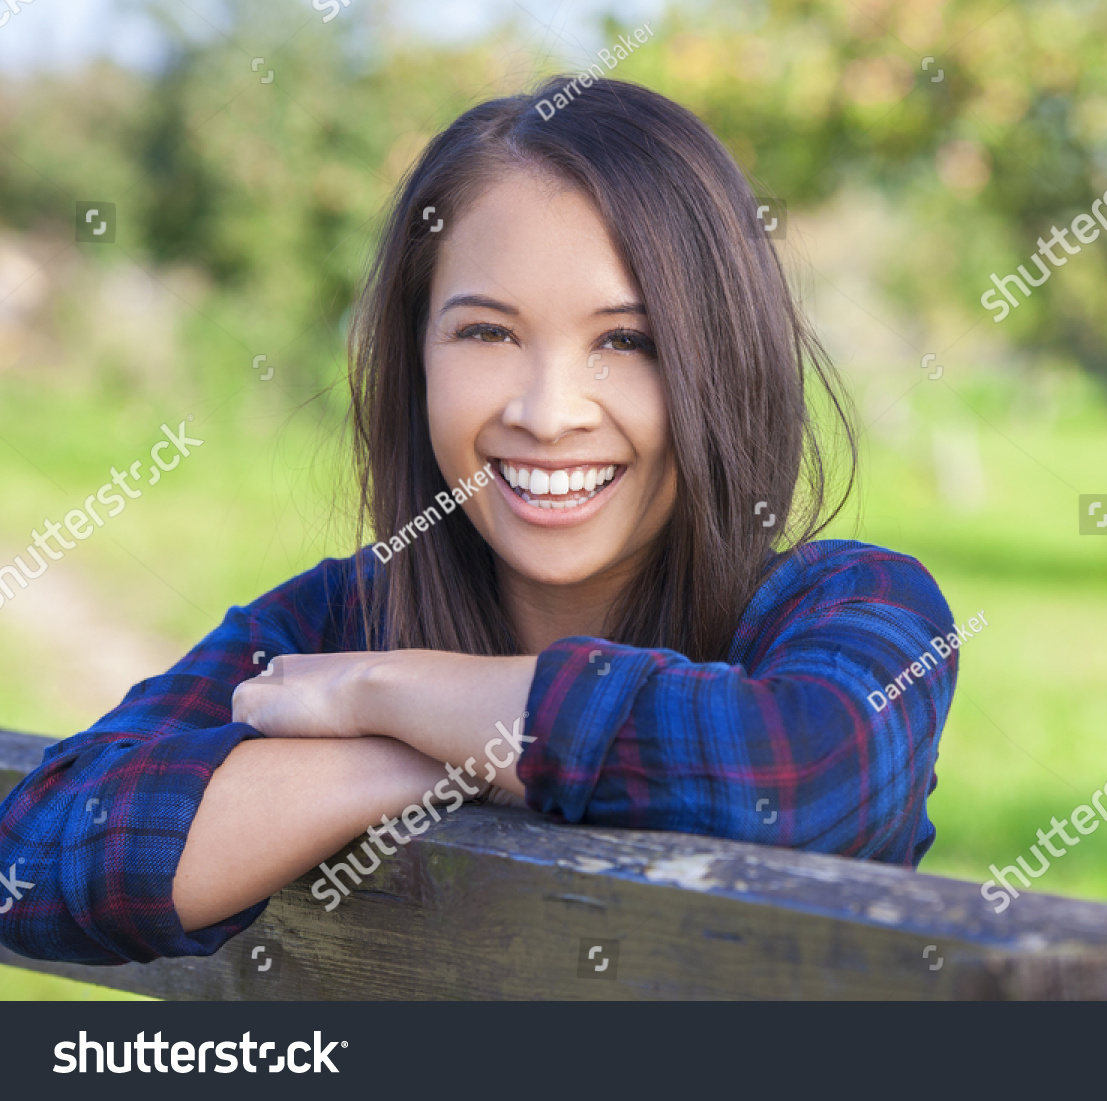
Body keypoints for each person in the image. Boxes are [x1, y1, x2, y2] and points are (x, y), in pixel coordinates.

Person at [0, 77, 956, 965]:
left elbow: (798, 774)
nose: (548, 412)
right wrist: (410, 745)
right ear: (417, 354)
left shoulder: (857, 605)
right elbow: (31, 864)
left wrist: (390, 693)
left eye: (627, 340)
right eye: (487, 332)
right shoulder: (342, 621)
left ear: (721, 359)